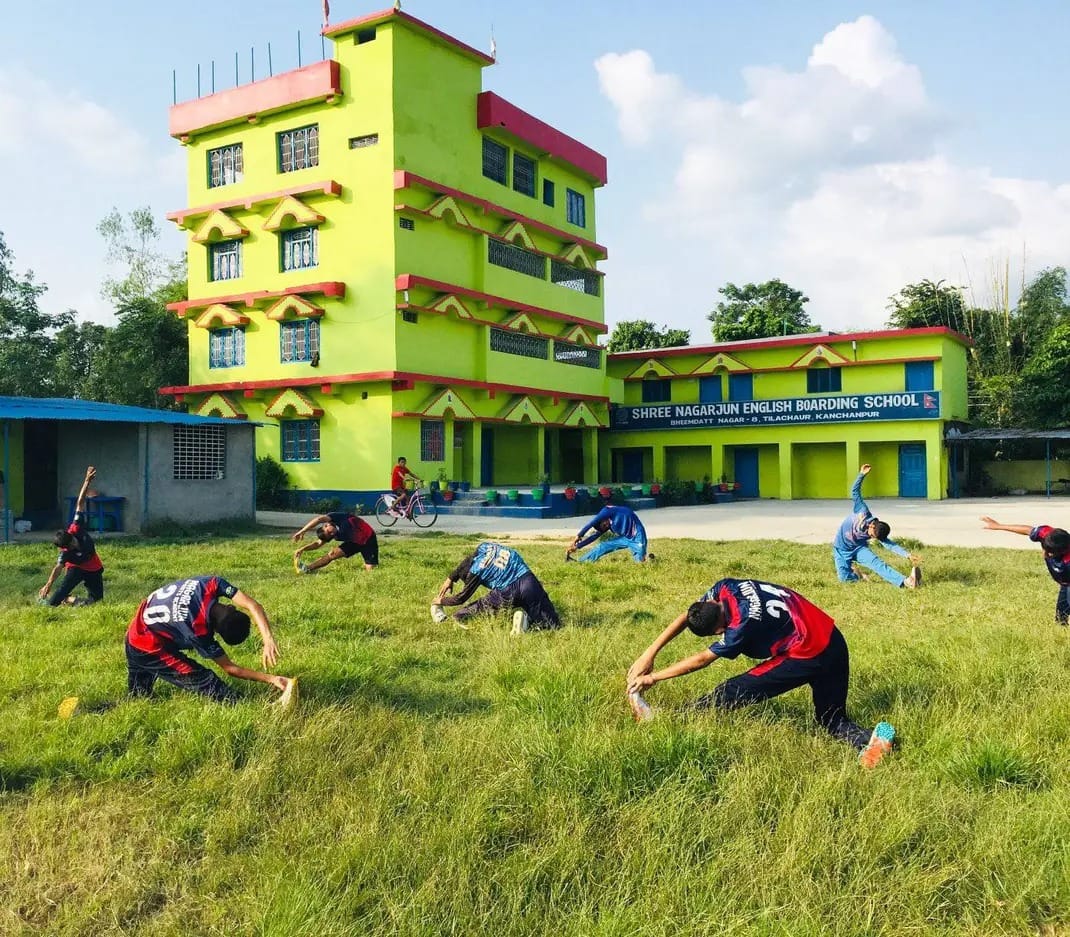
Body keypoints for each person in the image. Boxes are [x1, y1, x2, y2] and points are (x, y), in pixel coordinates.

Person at [626, 576, 896, 767]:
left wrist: (652, 677)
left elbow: (701, 660)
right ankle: (870, 742)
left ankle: (670, 718)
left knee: (734, 690)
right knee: (831, 719)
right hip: (833, 639)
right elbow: (689, 615)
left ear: (718, 630)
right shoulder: (726, 587)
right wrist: (650, 653)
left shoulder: (739, 627)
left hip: (806, 654)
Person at [125, 575, 294, 704]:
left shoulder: (210, 584)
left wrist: (268, 639)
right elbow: (230, 668)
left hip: (135, 631)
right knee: (205, 681)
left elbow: (252, 605)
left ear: (231, 606)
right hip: (148, 646)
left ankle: (121, 704)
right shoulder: (198, 631)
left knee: (139, 696)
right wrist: (272, 679)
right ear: (216, 632)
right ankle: (243, 705)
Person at [431, 541, 560, 632]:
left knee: (480, 606)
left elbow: (461, 598)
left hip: (506, 592)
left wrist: (441, 600)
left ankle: (454, 617)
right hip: (528, 581)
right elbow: (468, 558)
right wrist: (451, 578)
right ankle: (525, 621)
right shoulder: (485, 546)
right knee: (552, 624)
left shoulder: (475, 572)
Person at [833, 463, 921, 588]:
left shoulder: (877, 532)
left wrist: (907, 555)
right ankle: (858, 575)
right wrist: (861, 475)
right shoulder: (862, 511)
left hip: (858, 548)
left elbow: (891, 546)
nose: (872, 538)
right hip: (841, 549)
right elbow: (854, 492)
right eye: (872, 535)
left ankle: (907, 582)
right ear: (872, 526)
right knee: (844, 579)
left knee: (877, 563)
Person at [980, 516, 1070, 624]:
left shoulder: (1067, 562)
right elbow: (1028, 530)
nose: (1048, 554)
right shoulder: (1048, 534)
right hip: (1064, 582)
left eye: (1052, 552)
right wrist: (998, 526)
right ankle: (1061, 626)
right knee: (1061, 615)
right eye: (1047, 549)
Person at [39, 465, 105, 607]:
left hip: (93, 567)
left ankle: (69, 600)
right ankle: (62, 597)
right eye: (69, 547)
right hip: (76, 569)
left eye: (72, 542)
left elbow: (80, 503)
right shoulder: (66, 553)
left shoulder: (76, 527)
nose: (73, 545)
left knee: (97, 602)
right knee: (52, 603)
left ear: (71, 535)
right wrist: (48, 585)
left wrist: (87, 481)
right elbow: (58, 567)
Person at [291, 511, 378, 572]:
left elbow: (318, 519)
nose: (332, 533)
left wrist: (302, 531)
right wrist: (302, 549)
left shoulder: (335, 517)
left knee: (371, 571)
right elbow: (318, 544)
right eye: (330, 535)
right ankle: (307, 569)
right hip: (354, 543)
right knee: (332, 554)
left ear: (326, 525)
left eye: (329, 531)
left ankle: (367, 564)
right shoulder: (332, 535)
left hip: (369, 540)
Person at [566, 504, 654, 563]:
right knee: (602, 546)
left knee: (640, 562)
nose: (605, 526)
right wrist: (577, 546)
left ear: (603, 519)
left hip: (637, 536)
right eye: (604, 527)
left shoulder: (608, 511)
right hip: (624, 538)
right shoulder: (607, 525)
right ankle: (581, 562)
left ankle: (649, 558)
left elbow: (591, 523)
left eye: (604, 524)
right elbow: (594, 536)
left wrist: (579, 535)